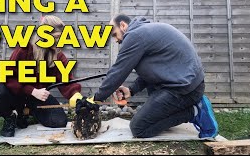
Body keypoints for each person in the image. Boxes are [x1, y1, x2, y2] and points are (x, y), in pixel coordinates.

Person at [88, 14, 219, 139]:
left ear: (123, 25)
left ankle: (195, 111)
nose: (116, 40)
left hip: (185, 89)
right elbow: (154, 69)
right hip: (187, 83)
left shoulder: (134, 36)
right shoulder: (144, 32)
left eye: (114, 34)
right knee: (151, 116)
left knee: (139, 128)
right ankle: (186, 108)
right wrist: (132, 90)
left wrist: (96, 98)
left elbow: (118, 71)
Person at [0, 15, 87, 137]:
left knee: (59, 121)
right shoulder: (24, 49)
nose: (60, 41)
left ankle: (25, 113)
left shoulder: (58, 55)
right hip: (15, 94)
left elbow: (67, 80)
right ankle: (10, 116)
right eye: (57, 37)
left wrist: (77, 96)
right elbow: (8, 76)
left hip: (36, 98)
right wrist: (32, 91)